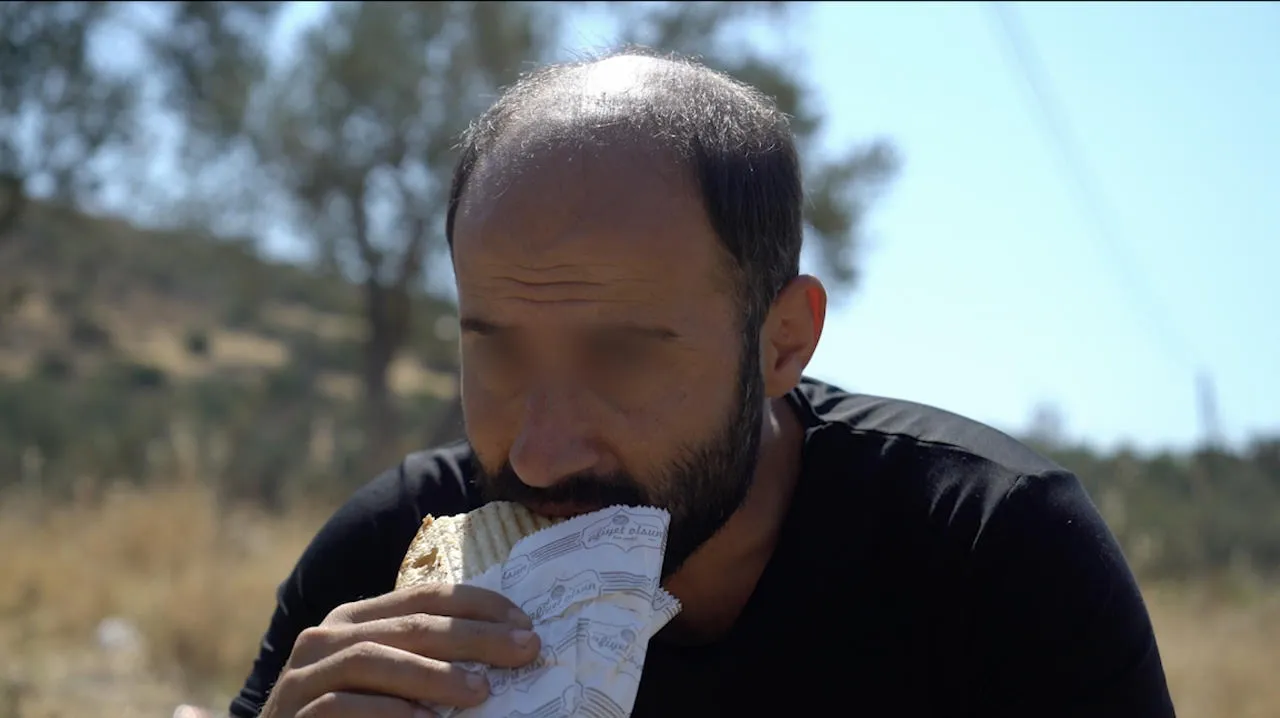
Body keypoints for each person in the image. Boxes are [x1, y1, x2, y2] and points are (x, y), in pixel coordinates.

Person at [231, 47, 1175, 718]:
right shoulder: (386, 574)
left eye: (623, 356)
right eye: (501, 353)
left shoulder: (993, 559)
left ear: (782, 342)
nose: (539, 452)